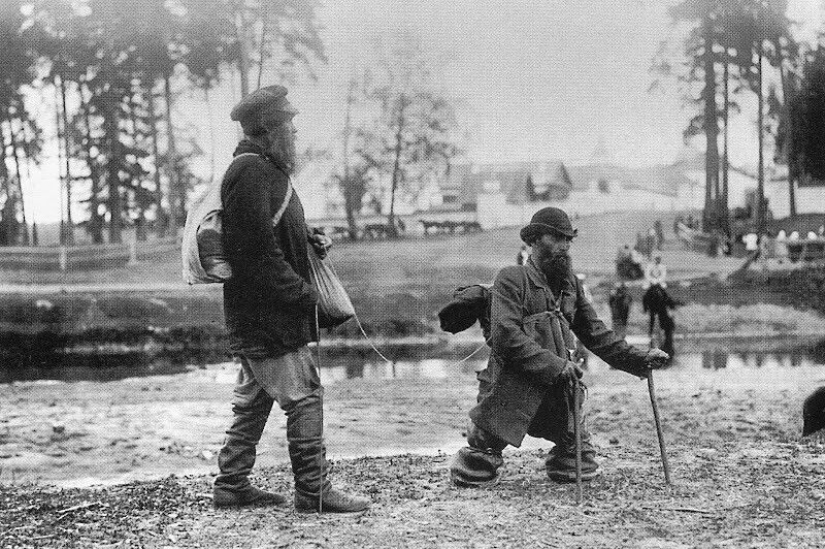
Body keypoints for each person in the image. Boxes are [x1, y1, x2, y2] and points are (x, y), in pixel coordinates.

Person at [213, 85, 370, 513]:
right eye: (289, 124)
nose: (295, 132)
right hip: (269, 317)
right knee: (304, 395)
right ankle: (313, 491)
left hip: (257, 316)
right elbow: (257, 255)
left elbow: (268, 236)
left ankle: (231, 483)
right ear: (268, 129)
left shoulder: (262, 171)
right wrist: (307, 297)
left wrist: (307, 236)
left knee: (255, 397)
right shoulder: (251, 173)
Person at [449, 207, 669, 487]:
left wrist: (639, 358)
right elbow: (506, 336)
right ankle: (482, 444)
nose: (564, 246)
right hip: (511, 388)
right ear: (534, 241)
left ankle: (565, 451)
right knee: (477, 461)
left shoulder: (570, 285)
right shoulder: (511, 279)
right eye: (556, 238)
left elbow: (596, 334)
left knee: (579, 462)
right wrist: (556, 365)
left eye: (568, 240)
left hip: (557, 393)